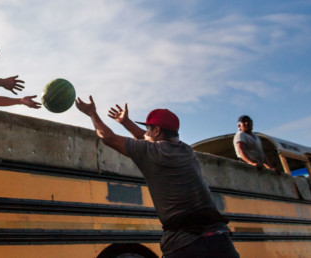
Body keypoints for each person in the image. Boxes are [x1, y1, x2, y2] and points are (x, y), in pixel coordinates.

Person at [75, 97, 239, 258]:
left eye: (148, 128)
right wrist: (126, 122)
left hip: (185, 244)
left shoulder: (153, 152)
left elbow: (108, 138)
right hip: (220, 239)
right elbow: (147, 139)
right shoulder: (187, 151)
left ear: (157, 131)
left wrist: (92, 114)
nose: (145, 132)